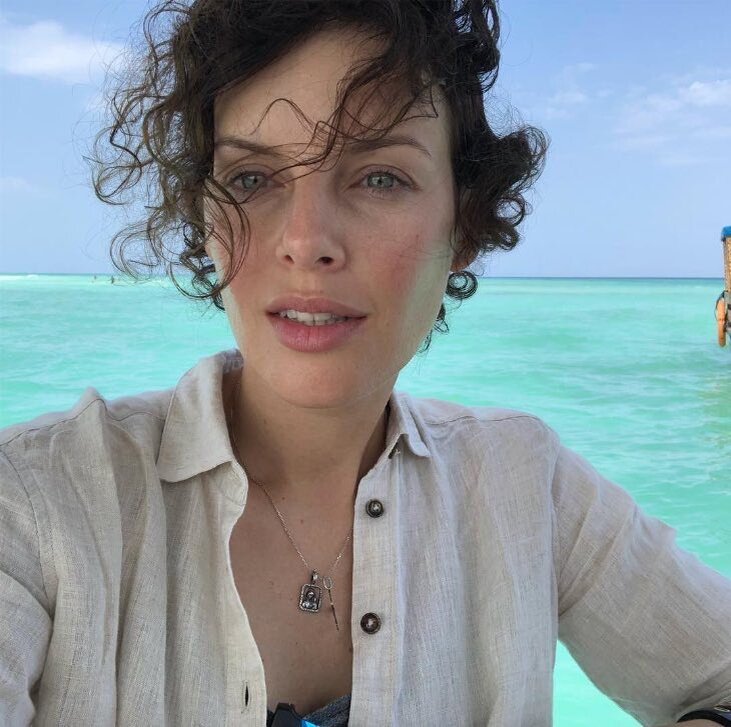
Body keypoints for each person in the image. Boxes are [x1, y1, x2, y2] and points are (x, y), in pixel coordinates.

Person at [0, 1, 729, 726]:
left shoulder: (524, 484)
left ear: (464, 224)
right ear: (205, 219)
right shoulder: (41, 504)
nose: (306, 241)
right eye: (251, 179)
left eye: (379, 177)